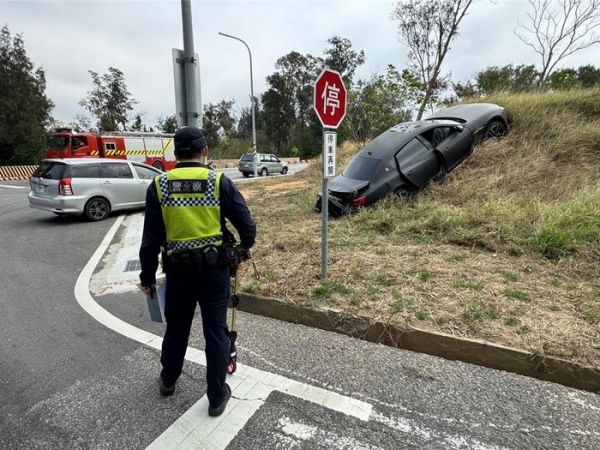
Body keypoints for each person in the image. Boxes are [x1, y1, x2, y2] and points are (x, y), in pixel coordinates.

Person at [138, 126, 256, 417]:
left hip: (178, 275)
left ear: (175, 154)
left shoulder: (159, 186)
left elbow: (150, 240)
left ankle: (168, 380)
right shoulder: (219, 183)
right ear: (205, 151)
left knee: (177, 329)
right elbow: (248, 228)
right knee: (216, 331)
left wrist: (147, 278)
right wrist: (241, 251)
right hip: (214, 274)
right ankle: (216, 397)